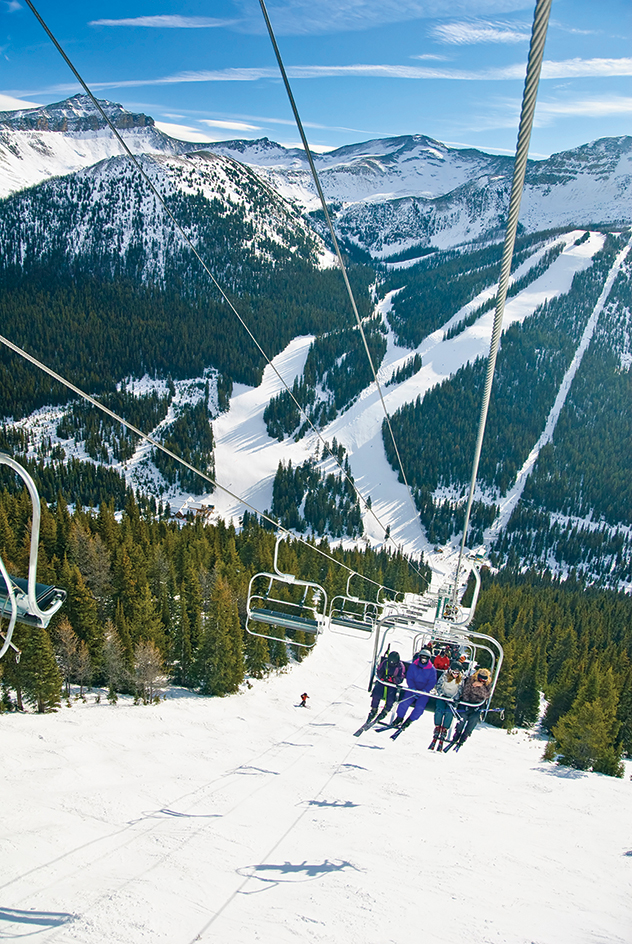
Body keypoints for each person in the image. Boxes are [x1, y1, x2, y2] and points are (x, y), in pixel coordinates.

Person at [392, 649, 437, 731]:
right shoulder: (414, 665)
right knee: (404, 702)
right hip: (413, 689)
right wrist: (412, 687)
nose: (423, 660)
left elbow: (432, 682)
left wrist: (425, 690)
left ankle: (409, 720)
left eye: (425, 659)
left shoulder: (431, 670)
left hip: (423, 691)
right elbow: (409, 677)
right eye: (422, 658)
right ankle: (399, 717)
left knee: (420, 707)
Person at [453, 667, 493, 746]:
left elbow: (487, 695)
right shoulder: (471, 680)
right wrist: (466, 702)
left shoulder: (487, 684)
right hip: (467, 702)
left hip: (478, 704)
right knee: (462, 717)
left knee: (474, 719)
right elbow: (466, 692)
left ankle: (465, 735)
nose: (481, 681)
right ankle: (457, 732)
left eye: (483, 680)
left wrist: (480, 686)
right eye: (480, 679)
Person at [365, 650, 406, 725]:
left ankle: (385, 711)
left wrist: (393, 679)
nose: (392, 663)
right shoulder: (385, 663)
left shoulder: (400, 666)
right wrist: (382, 677)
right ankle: (374, 709)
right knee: (376, 693)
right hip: (383, 682)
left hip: (392, 685)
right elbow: (379, 670)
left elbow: (401, 677)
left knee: (390, 697)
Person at [431, 662, 464, 745]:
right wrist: (441, 694)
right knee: (440, 709)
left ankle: (445, 728)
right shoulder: (445, 675)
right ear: (450, 671)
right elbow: (438, 685)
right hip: (443, 697)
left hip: (452, 699)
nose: (456, 675)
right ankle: (437, 726)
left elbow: (460, 690)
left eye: (458, 673)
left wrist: (455, 698)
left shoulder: (461, 679)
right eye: (454, 672)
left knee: (449, 712)